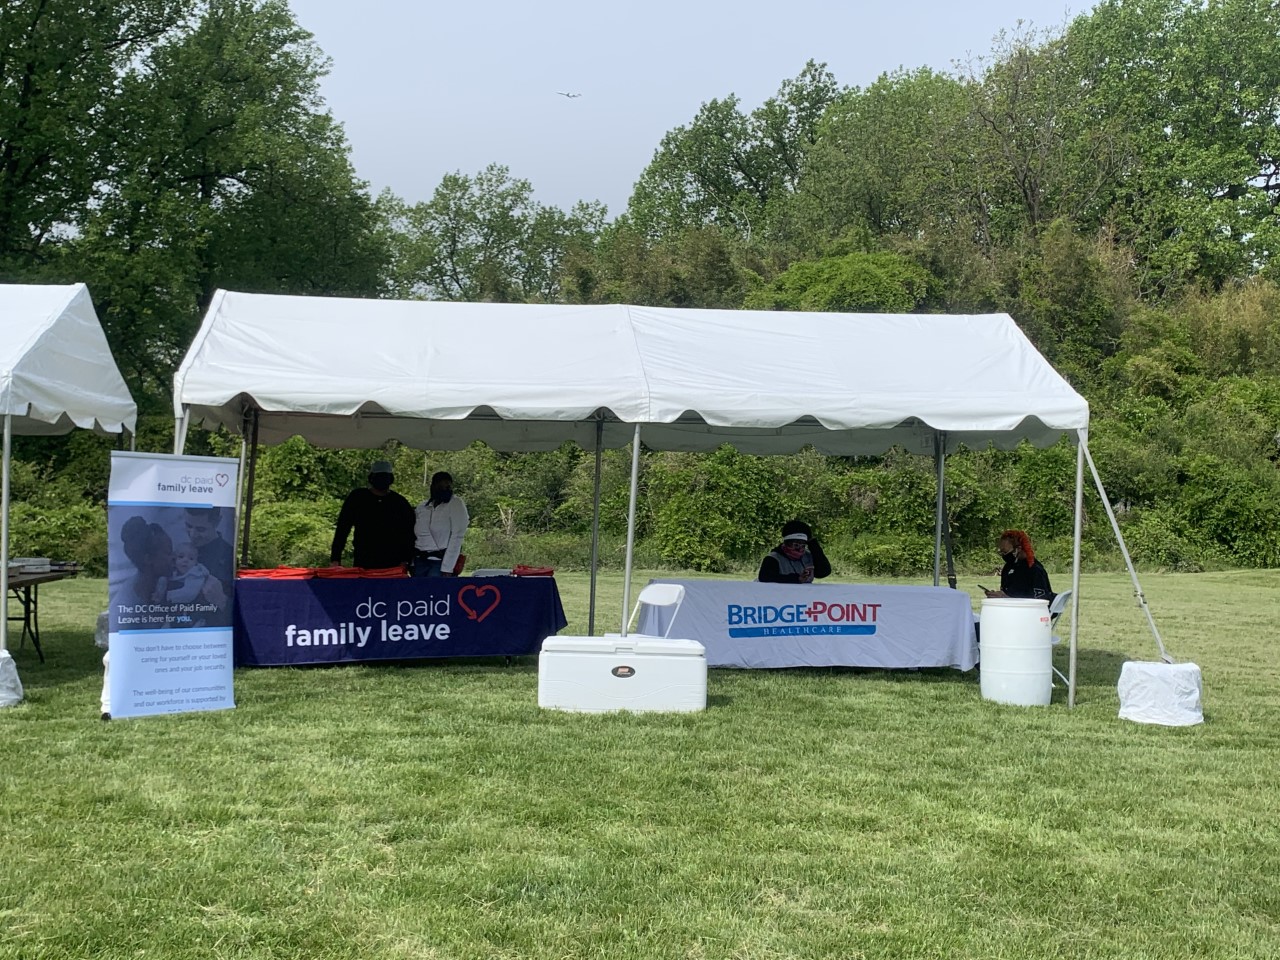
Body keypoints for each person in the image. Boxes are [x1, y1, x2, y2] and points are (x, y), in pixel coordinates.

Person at [330, 459, 416, 570]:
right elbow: (343, 528)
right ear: (371, 478)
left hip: (393, 561)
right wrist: (335, 558)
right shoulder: (358, 498)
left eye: (384, 476)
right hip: (364, 559)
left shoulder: (399, 502)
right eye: (378, 476)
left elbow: (409, 533)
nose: (382, 479)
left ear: (391, 479)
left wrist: (406, 560)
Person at [184, 506, 235, 625]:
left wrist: (221, 600)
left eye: (201, 529)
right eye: (188, 526)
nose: (192, 534)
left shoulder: (229, 556)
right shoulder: (179, 550)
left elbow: (245, 608)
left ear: (217, 522)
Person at [413, 471, 469, 577]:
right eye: (441, 487)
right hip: (420, 561)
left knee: (435, 592)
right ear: (433, 487)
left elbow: (457, 536)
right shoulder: (423, 507)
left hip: (440, 562)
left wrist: (448, 567)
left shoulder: (456, 504)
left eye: (448, 487)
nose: (445, 490)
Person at [983, 529, 1054, 602]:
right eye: (1001, 552)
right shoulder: (1008, 567)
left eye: (1005, 552)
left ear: (1018, 549)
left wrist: (1006, 598)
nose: (1003, 555)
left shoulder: (1034, 569)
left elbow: (1041, 601)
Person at [758, 520, 832, 584]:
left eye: (803, 546)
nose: (800, 549)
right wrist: (796, 579)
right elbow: (765, 577)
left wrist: (813, 545)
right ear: (786, 542)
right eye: (796, 545)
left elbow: (823, 572)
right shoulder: (773, 558)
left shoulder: (808, 557)